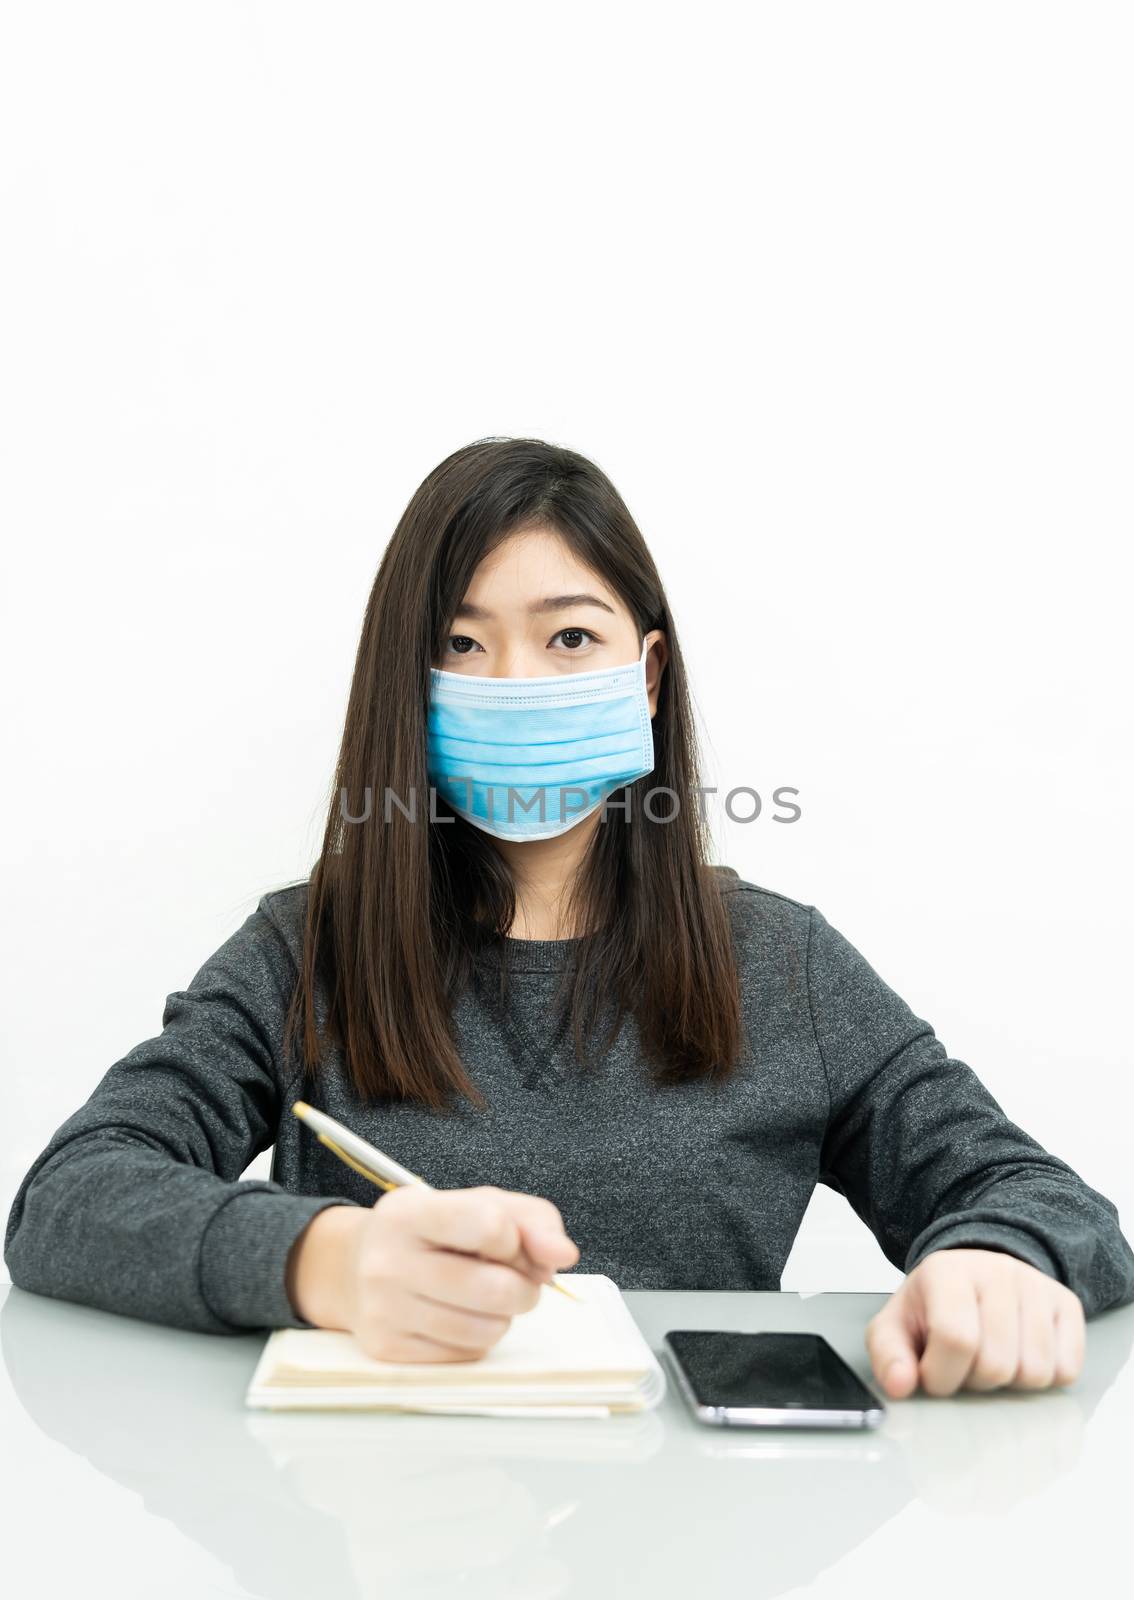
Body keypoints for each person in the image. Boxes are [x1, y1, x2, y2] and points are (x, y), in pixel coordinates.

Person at [6, 438, 1133, 1401]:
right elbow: (69, 1197)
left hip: (698, 1524)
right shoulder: (309, 950)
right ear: (407, 681)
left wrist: (997, 1258)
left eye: (569, 638)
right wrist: (323, 1261)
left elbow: (1036, 1196)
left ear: (647, 676)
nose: (512, 680)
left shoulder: (783, 963)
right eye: (459, 643)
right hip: (390, 1517)